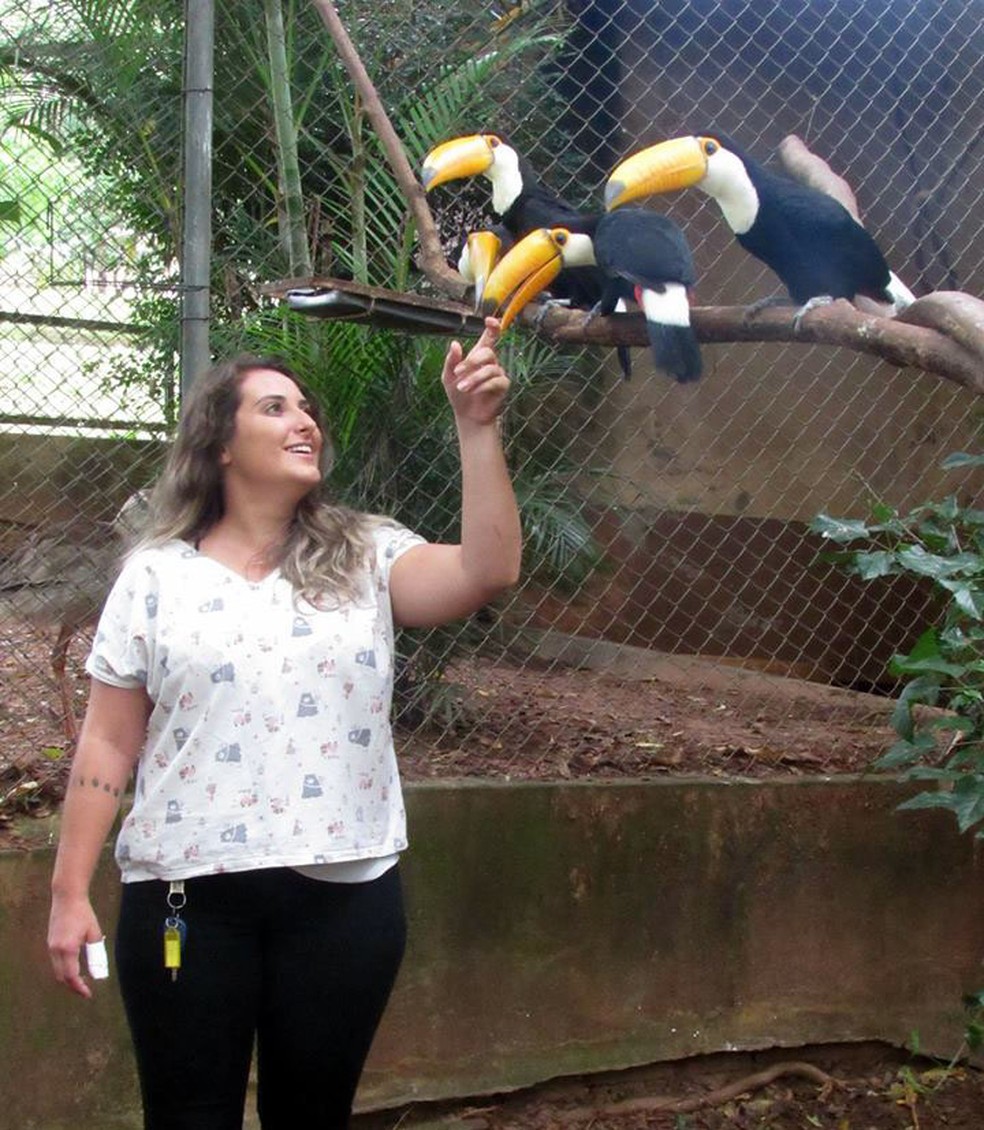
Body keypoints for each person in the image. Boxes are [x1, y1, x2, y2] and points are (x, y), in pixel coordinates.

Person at [47, 317, 521, 1130]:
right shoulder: (155, 577)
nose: (305, 421)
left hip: (344, 895)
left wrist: (476, 430)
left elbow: (487, 571)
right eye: (275, 408)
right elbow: (108, 741)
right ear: (220, 445)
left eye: (307, 409)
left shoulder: (366, 554)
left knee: (314, 1115)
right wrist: (66, 891)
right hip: (185, 896)